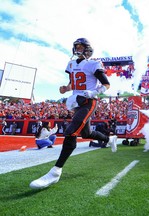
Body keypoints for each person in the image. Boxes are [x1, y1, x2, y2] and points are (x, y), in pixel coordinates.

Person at [30, 38, 117, 189]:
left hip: (89, 102)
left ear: (88, 49)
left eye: (81, 46)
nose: (78, 48)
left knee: (71, 132)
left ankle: (55, 172)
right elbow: (74, 83)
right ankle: (109, 139)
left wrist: (93, 92)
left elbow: (106, 85)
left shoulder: (93, 63)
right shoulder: (71, 64)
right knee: (86, 133)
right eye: (76, 46)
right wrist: (66, 88)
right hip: (77, 102)